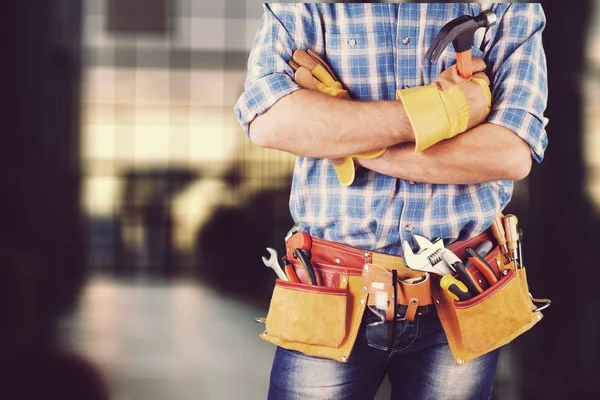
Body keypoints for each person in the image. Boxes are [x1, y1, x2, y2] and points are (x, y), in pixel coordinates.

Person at [234, 3, 547, 400]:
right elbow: (268, 120)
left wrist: (348, 142)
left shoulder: (502, 6)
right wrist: (445, 110)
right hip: (331, 290)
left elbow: (509, 154)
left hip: (460, 293)